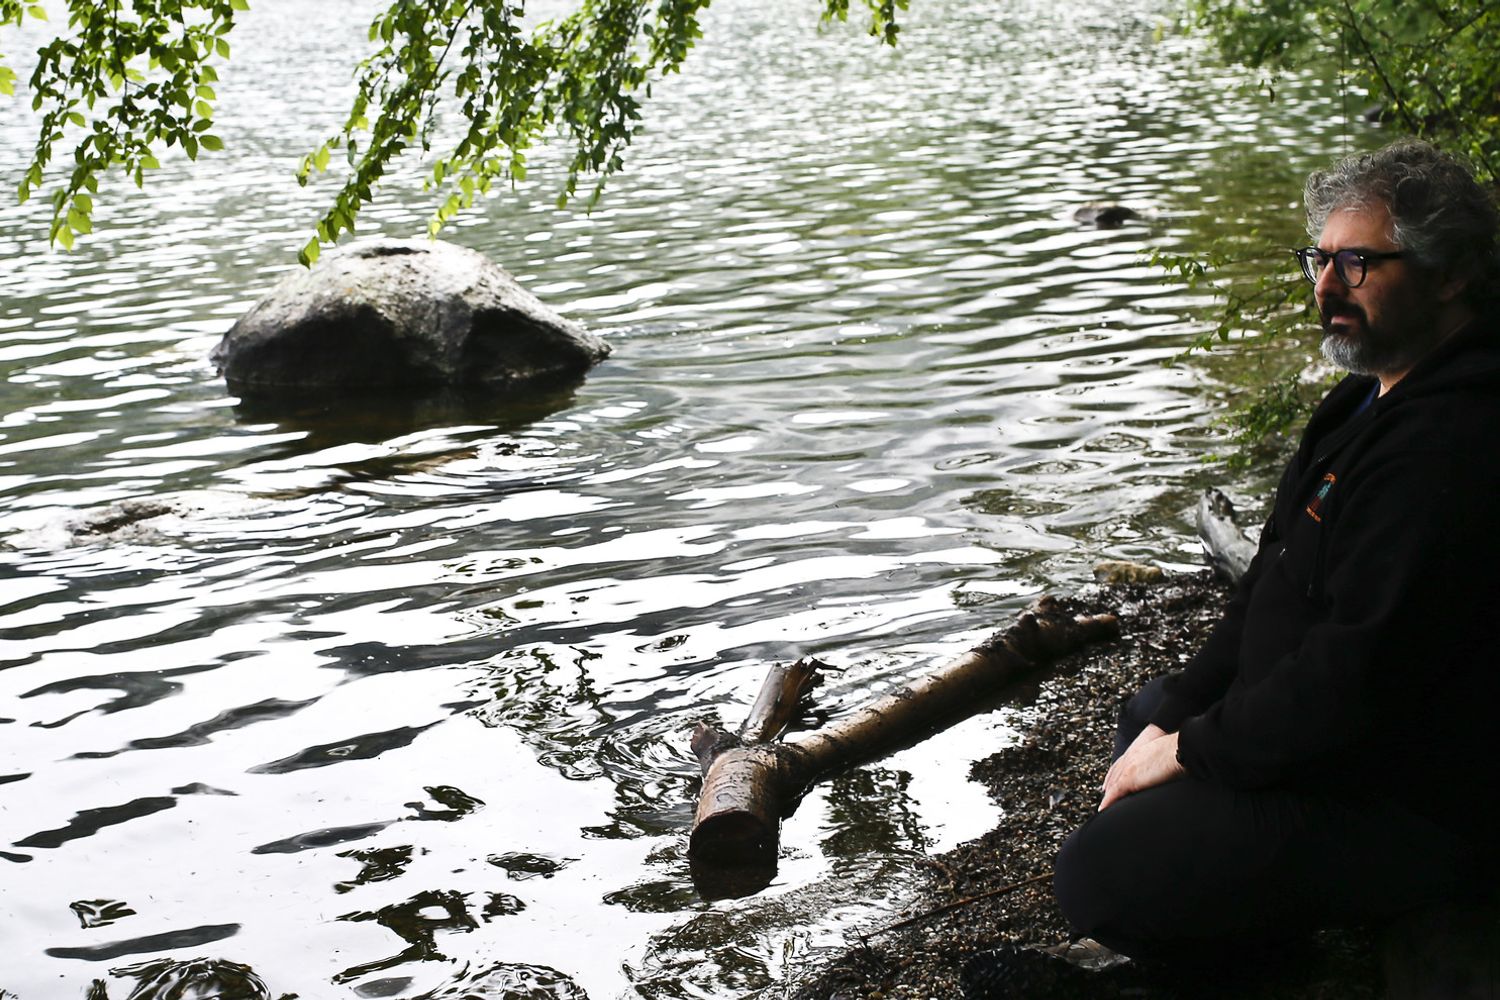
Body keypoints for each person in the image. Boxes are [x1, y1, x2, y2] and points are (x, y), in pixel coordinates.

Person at [1052, 139, 1500, 962]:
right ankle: (1225, 895)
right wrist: (1181, 723)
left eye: (1358, 264)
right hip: (1325, 744)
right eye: (1320, 260)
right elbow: (1263, 589)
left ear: (1449, 276)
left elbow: (1358, 677)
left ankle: (1296, 932)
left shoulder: (1454, 438)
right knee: (1150, 707)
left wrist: (1194, 751)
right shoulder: (1358, 403)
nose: (1326, 287)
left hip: (1411, 795)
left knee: (1092, 877)